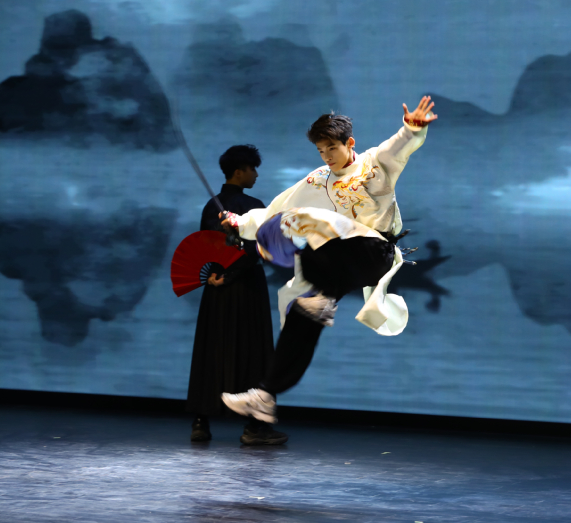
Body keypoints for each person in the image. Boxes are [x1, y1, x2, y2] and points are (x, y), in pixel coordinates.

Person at [219, 96, 438, 424]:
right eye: (321, 151)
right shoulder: (317, 179)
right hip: (339, 264)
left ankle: (321, 295)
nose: (327, 157)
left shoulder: (374, 163)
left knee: (311, 222)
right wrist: (239, 223)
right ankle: (266, 394)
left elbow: (399, 146)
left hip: (373, 253)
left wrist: (413, 127)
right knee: (301, 316)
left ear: (350, 143)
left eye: (332, 149)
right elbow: (276, 211)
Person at [186, 144, 288, 445]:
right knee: (253, 353)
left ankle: (200, 422)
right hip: (246, 287)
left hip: (216, 286)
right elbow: (259, 249)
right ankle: (255, 428)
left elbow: (206, 245)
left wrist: (217, 273)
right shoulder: (255, 206)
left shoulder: (211, 206)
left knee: (211, 350)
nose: (256, 174)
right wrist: (232, 273)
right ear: (239, 171)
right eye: (253, 169)